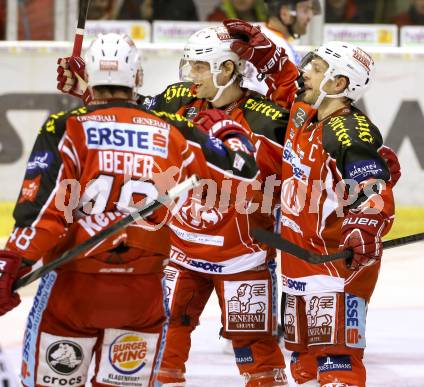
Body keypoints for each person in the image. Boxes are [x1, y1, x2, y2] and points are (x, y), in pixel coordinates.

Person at [0, 32, 259, 387]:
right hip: (142, 293)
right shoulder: (173, 129)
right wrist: (228, 129)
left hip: (74, 290)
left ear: (91, 76)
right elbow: (243, 167)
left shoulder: (66, 126)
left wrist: (12, 262)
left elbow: (42, 213)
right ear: (137, 77)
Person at [56, 25, 289, 387]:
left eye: (198, 67)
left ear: (226, 69)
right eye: (188, 65)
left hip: (243, 259)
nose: (189, 75)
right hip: (181, 252)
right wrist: (87, 88)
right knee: (164, 342)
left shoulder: (268, 118)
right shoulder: (179, 99)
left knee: (257, 353)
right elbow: (131, 115)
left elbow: (310, 144)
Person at [223, 20, 400, 387]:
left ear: (339, 83)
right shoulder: (304, 114)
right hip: (301, 264)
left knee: (337, 364)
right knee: (303, 363)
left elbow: (373, 190)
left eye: (317, 69)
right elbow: (287, 82)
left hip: (337, 269)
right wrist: (265, 54)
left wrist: (365, 226)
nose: (306, 72)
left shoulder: (347, 130)